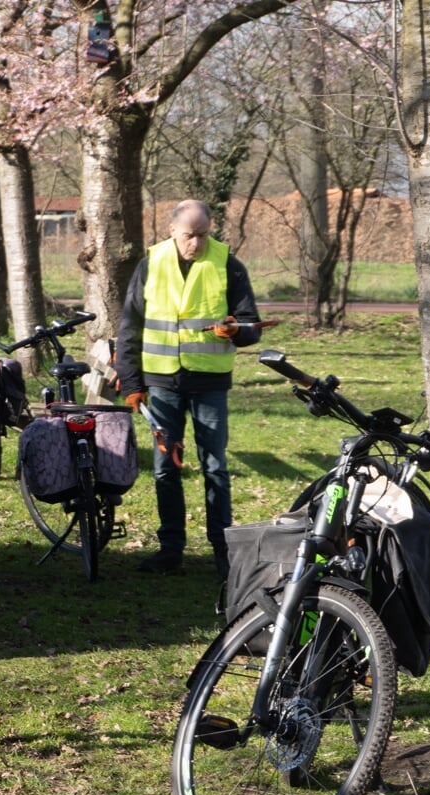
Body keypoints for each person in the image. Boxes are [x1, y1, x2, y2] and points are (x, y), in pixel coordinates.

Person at [115, 199, 263, 579]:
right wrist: (131, 382)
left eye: (202, 235)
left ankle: (223, 552)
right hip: (162, 382)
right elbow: (130, 326)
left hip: (210, 383)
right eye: (188, 236)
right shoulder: (151, 264)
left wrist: (236, 330)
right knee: (167, 469)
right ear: (171, 230)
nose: (195, 244)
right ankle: (170, 550)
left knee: (216, 467)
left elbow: (251, 324)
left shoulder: (228, 264)